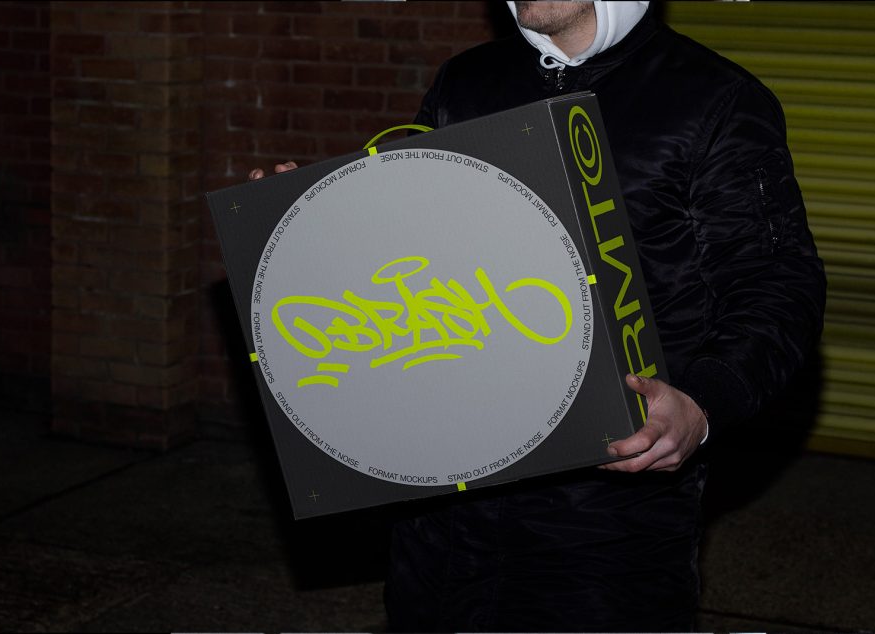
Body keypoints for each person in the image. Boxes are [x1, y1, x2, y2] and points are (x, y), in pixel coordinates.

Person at [252, 2, 826, 631]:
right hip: (444, 504)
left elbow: (776, 284)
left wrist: (702, 401)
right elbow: (415, 251)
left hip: (606, 518)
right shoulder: (467, 81)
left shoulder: (714, 99)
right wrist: (319, 217)